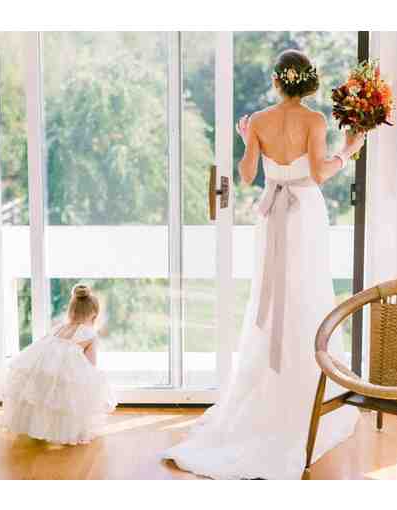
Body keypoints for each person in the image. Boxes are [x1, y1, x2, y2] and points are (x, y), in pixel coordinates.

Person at [163, 49, 365, 479]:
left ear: (277, 80)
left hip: (271, 212)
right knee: (306, 291)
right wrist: (348, 151)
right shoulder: (314, 121)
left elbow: (246, 175)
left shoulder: (257, 120)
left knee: (270, 296)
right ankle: (306, 388)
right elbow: (320, 173)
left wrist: (247, 142)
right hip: (304, 213)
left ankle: (268, 390)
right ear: (307, 81)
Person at [2, 284, 117, 445]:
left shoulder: (58, 328)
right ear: (93, 314)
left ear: (71, 310)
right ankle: (71, 430)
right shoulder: (89, 334)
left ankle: (37, 427)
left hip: (43, 371)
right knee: (73, 395)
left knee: (43, 398)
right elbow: (91, 364)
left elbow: (46, 349)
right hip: (65, 374)